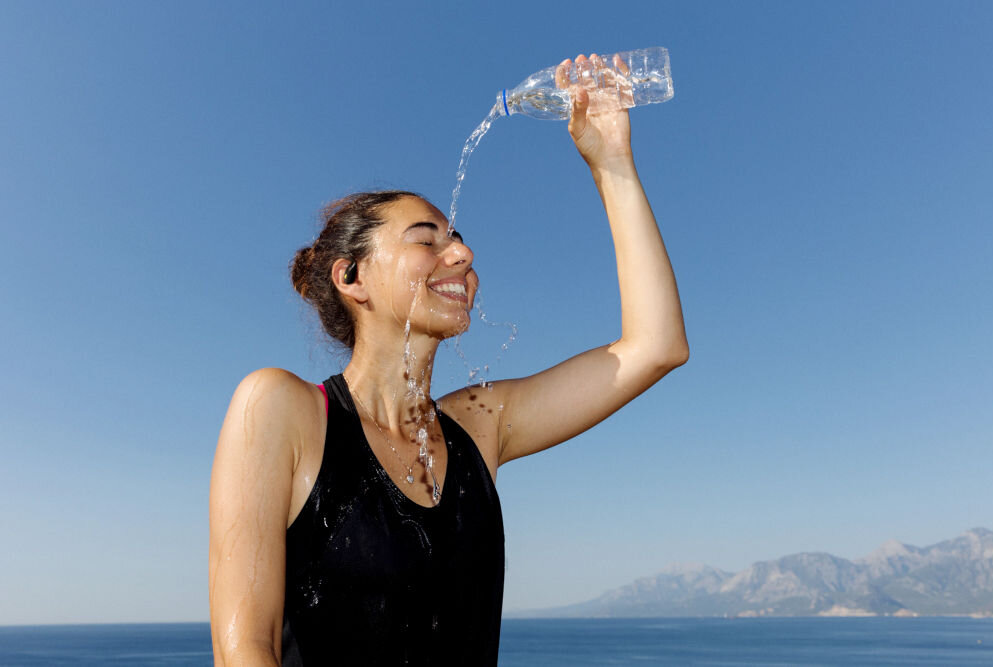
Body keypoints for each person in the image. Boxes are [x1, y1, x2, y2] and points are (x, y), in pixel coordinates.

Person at [209, 53, 689, 666]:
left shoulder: (478, 426)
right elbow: (243, 648)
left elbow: (656, 346)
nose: (461, 254)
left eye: (457, 240)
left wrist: (612, 163)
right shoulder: (284, 410)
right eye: (426, 239)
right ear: (352, 277)